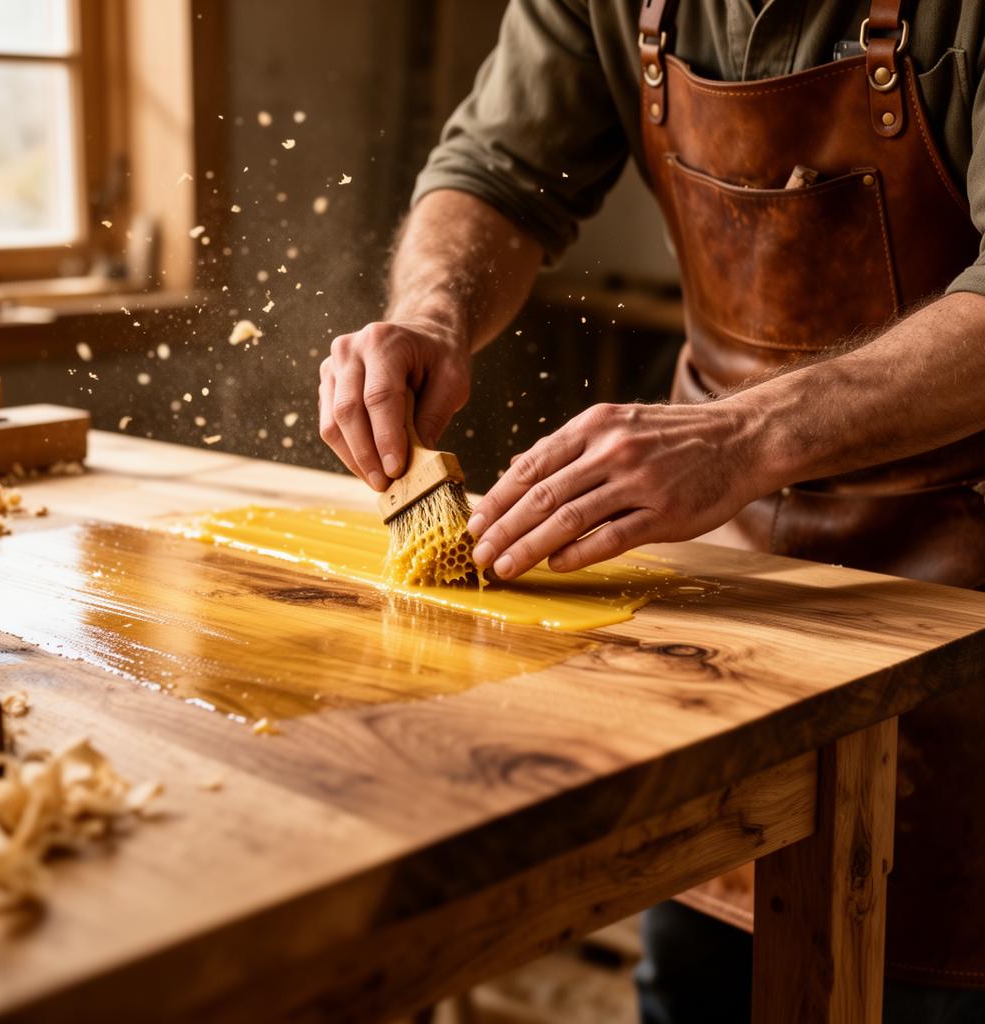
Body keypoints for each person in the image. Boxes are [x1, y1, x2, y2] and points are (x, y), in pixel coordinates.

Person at [318, 1, 985, 1019]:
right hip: (724, 570)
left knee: (932, 976)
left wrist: (744, 437)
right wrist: (429, 312)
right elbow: (494, 173)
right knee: (699, 970)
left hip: (964, 568)